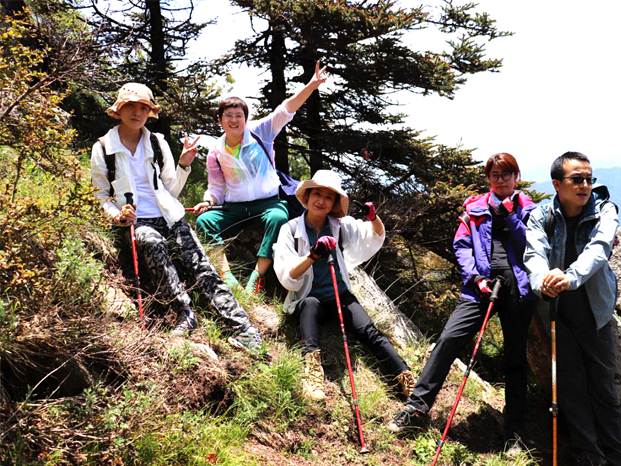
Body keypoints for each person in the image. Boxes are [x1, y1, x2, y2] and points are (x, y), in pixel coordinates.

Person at [90, 82, 265, 353]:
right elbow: (101, 195)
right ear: (119, 109)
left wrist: (184, 164)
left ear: (150, 112)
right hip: (137, 222)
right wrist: (117, 216)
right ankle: (184, 312)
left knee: (203, 266)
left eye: (143, 107)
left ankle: (246, 329)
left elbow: (170, 189)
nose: (137, 112)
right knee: (152, 243)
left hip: (171, 217)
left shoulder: (157, 142)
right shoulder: (102, 148)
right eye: (131, 106)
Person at [389, 153, 535, 448]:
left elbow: (531, 244)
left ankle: (514, 432)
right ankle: (416, 407)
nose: (500, 180)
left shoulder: (528, 209)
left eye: (506, 174)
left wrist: (510, 216)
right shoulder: (475, 208)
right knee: (448, 340)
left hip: (518, 288)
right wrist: (475, 278)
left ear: (516, 176)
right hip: (479, 287)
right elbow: (462, 244)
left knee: (516, 360)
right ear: (488, 179)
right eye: (495, 175)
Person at [523, 152, 621, 466]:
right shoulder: (541, 215)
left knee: (603, 389)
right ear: (557, 184)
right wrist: (542, 280)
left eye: (588, 178)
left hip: (595, 315)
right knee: (570, 388)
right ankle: (589, 455)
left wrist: (568, 278)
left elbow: (599, 250)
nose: (585, 185)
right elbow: (534, 253)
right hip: (559, 315)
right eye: (577, 179)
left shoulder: (605, 210)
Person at [273, 170, 415, 401]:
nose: (321, 200)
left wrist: (373, 217)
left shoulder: (341, 226)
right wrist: (312, 255)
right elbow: (287, 275)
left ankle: (405, 376)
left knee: (369, 331)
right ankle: (313, 376)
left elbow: (375, 236)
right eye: (317, 194)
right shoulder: (289, 230)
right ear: (307, 197)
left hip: (340, 296)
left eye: (329, 197)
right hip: (309, 298)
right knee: (309, 304)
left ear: (334, 203)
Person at [192, 61, 328, 294]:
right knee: (205, 222)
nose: (234, 120)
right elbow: (216, 186)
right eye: (228, 116)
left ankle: (258, 275)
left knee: (278, 217)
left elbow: (285, 110)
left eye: (238, 115)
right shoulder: (216, 150)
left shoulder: (260, 132)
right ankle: (226, 275)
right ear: (220, 121)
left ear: (246, 119)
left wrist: (310, 86)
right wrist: (208, 202)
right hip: (234, 207)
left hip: (267, 203)